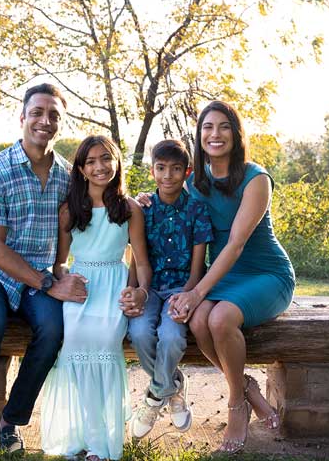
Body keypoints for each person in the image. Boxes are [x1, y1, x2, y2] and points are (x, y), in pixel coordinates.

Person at [0, 84, 87, 461]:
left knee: (53, 330)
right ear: (22, 118)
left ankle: (11, 421)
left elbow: (85, 216)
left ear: (60, 122)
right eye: (38, 112)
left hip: (39, 274)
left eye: (54, 115)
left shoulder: (68, 177)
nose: (45, 121)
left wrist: (140, 202)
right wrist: (48, 284)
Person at [169, 102, 295, 454]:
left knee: (220, 317)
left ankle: (236, 404)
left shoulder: (256, 178)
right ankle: (246, 385)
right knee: (197, 322)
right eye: (207, 127)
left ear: (236, 135)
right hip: (222, 274)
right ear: (199, 135)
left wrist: (196, 292)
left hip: (265, 272)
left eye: (224, 127)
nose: (215, 134)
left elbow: (237, 244)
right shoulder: (195, 182)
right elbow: (170, 206)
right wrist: (148, 201)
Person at [39, 136, 151, 461]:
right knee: (74, 340)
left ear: (117, 162)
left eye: (106, 159)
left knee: (104, 341)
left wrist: (139, 291)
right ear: (81, 169)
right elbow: (60, 262)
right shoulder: (69, 209)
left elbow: (141, 262)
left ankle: (102, 444)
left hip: (114, 286)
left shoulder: (129, 209)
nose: (100, 167)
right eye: (91, 162)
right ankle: (85, 436)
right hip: (80, 286)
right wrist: (64, 279)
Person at [121, 138, 213, 440]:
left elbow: (198, 268)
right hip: (150, 288)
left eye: (175, 169)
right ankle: (172, 388)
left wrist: (187, 296)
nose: (168, 175)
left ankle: (154, 396)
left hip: (183, 287)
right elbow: (136, 256)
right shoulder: (142, 209)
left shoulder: (197, 210)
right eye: (161, 168)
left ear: (186, 172)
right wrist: (133, 289)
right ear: (152, 171)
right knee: (139, 333)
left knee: (172, 337)